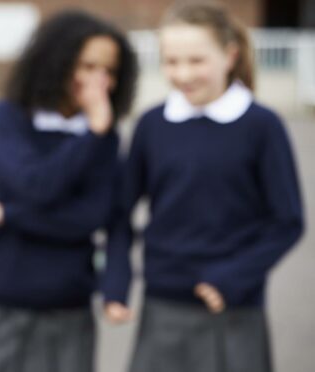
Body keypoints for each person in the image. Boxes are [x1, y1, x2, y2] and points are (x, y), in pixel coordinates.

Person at [102, 3, 304, 372]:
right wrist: (116, 283)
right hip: (162, 305)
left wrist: (233, 278)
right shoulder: (152, 125)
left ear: (230, 55)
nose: (182, 74)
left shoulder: (262, 127)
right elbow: (120, 211)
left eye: (196, 61)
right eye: (171, 62)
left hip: (233, 307)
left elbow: (288, 221)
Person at [0, 10, 137, 372]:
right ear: (56, 63)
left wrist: (8, 215)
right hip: (9, 298)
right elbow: (36, 187)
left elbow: (94, 218)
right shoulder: (12, 117)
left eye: (109, 71)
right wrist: (92, 134)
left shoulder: (106, 138)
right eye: (86, 66)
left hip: (70, 305)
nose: (99, 82)